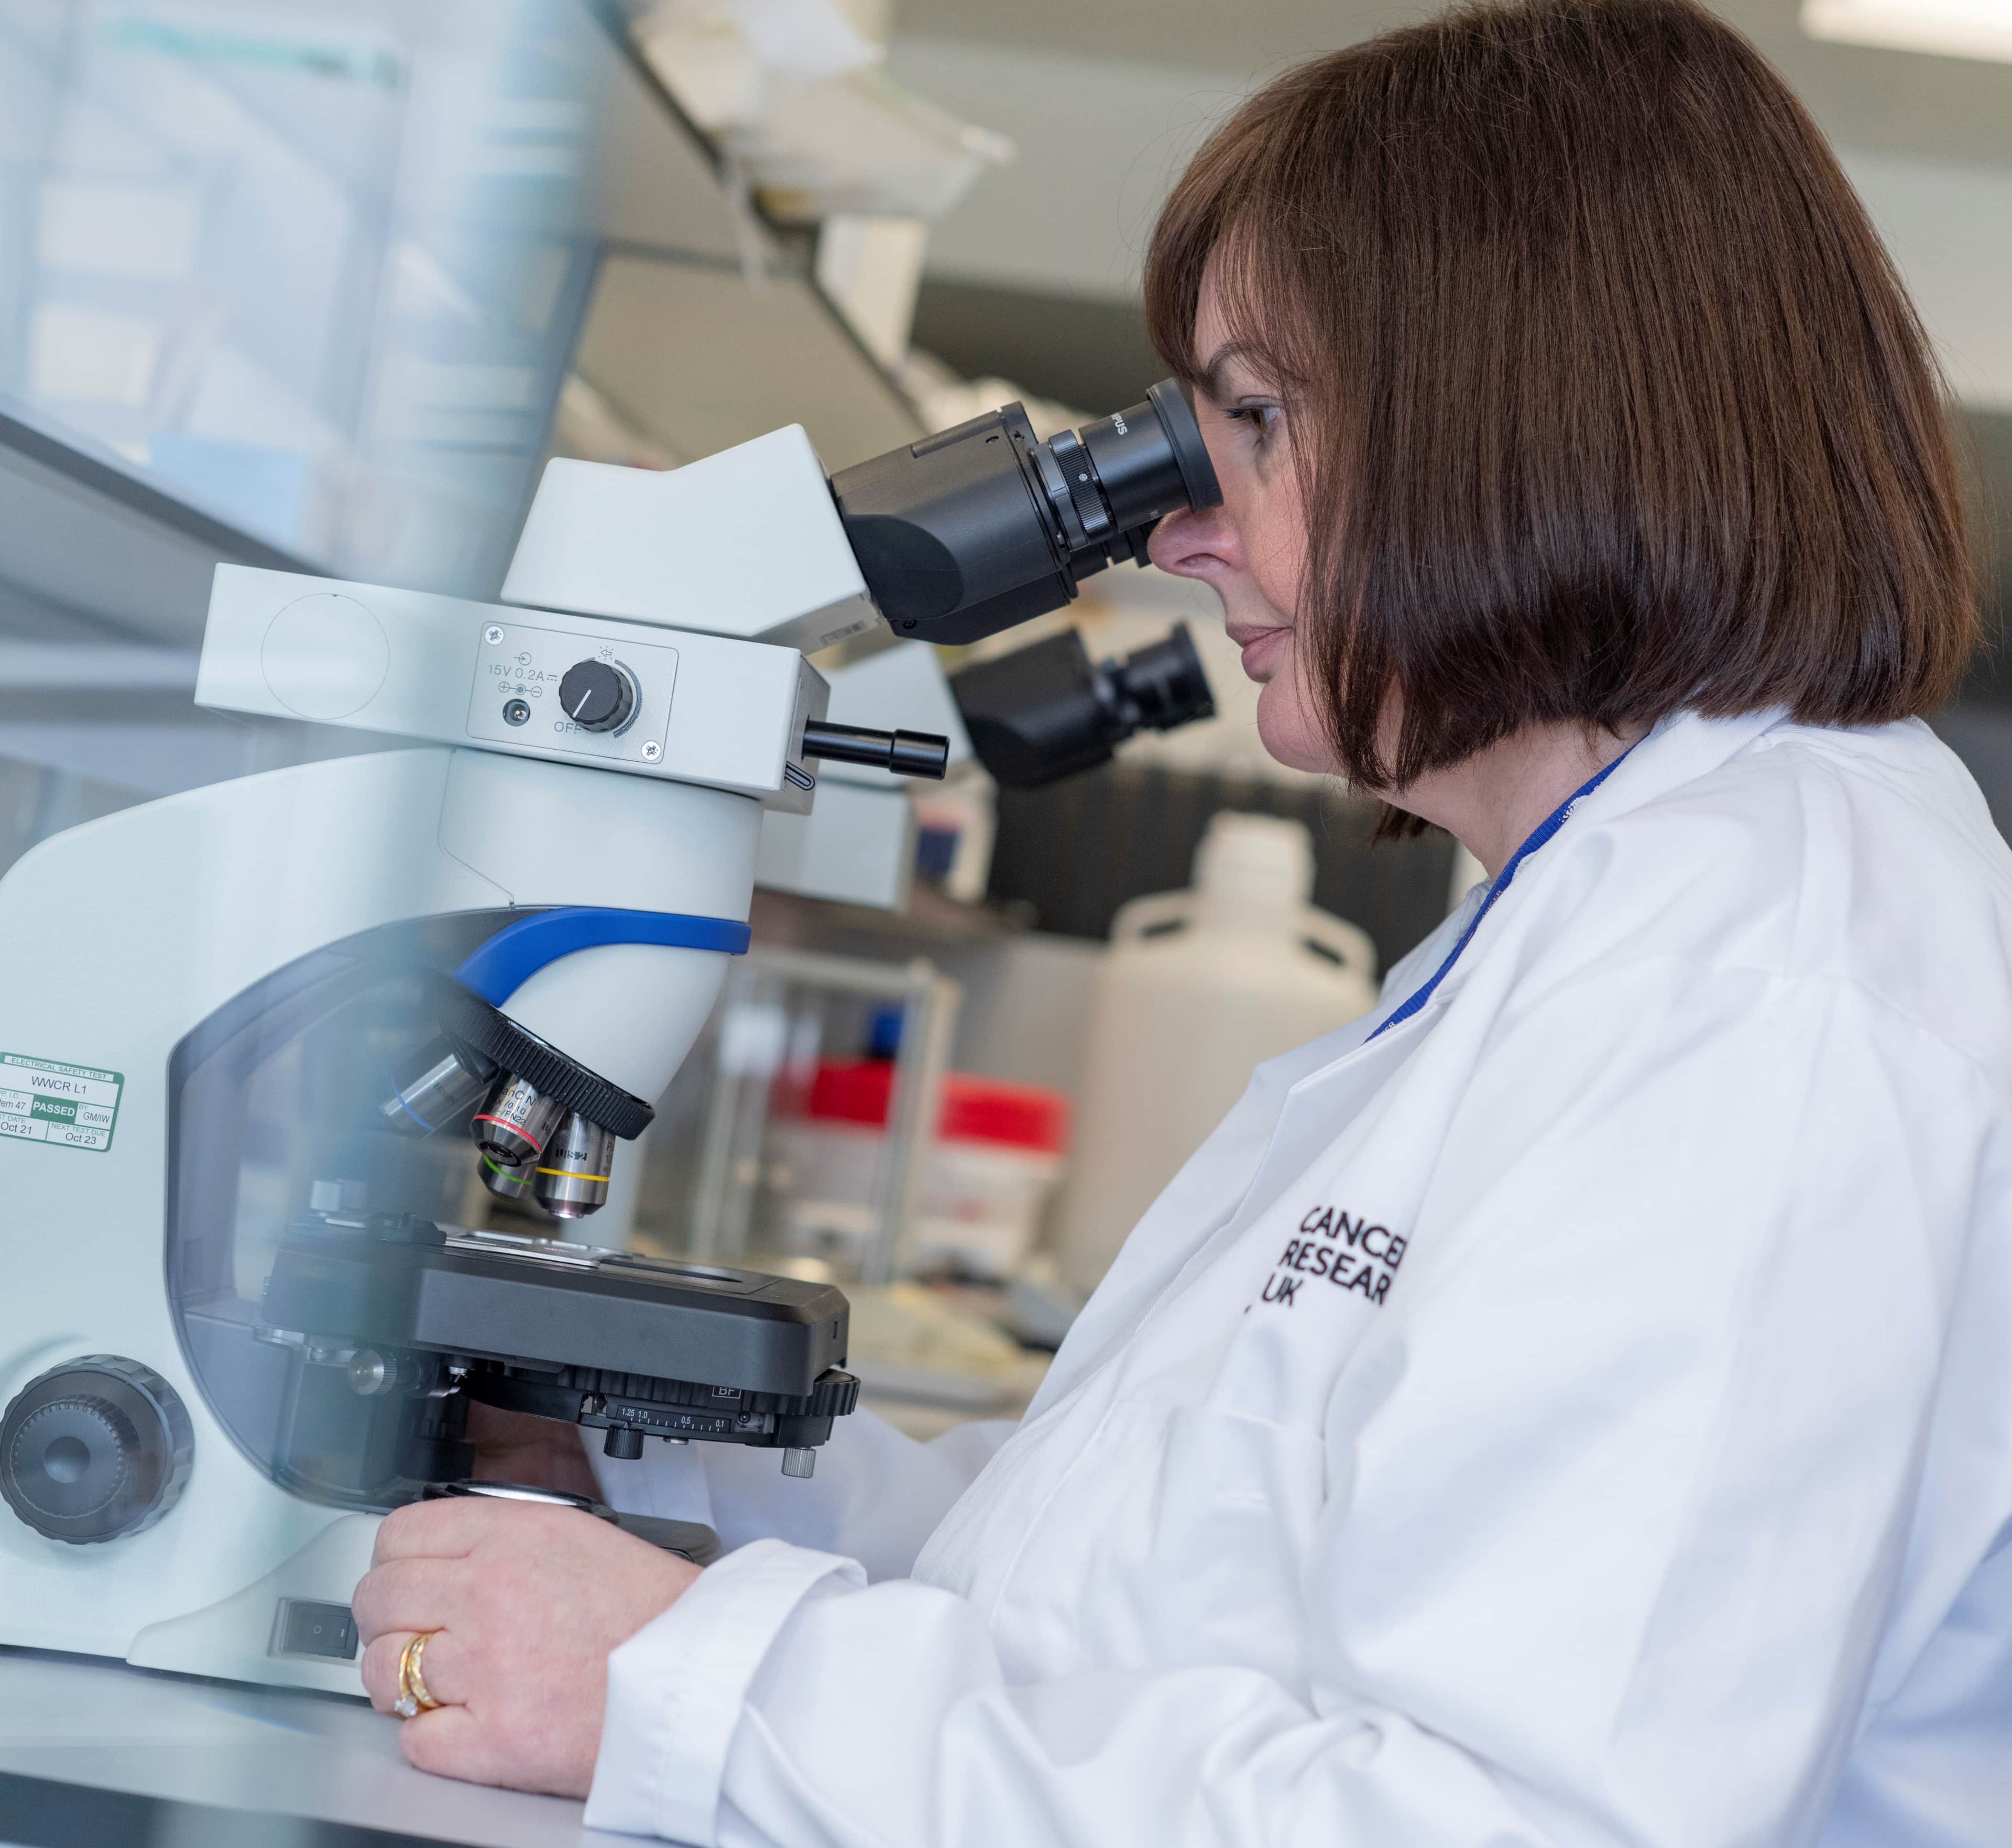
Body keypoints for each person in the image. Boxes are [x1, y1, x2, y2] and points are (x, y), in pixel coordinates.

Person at [352, 2, 2012, 1842]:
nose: (1181, 529)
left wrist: (693, 1684)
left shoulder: (1761, 980)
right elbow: (1149, 1590)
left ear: (1517, 415)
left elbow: (1505, 1819)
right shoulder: (1606, 920)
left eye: (1253, 419)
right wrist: (661, 1473)